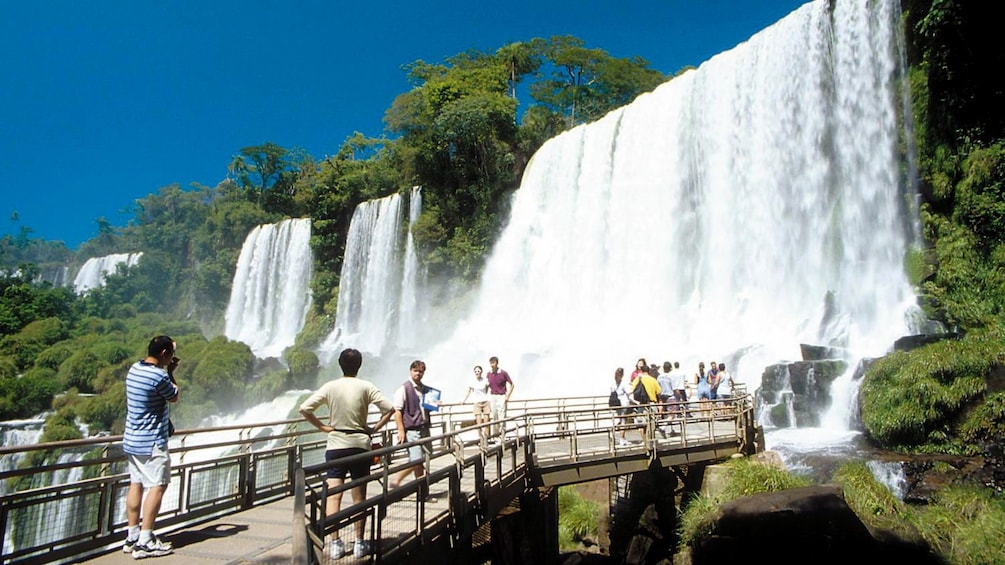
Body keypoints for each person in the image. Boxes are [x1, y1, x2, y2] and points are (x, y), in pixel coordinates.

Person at [299, 348, 395, 560]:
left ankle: (335, 544)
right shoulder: (366, 386)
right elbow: (390, 409)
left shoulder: (330, 386)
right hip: (360, 446)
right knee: (359, 496)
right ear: (359, 365)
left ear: (340, 364)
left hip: (336, 445)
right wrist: (373, 429)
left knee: (334, 497)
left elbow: (304, 409)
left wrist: (323, 428)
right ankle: (360, 543)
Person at [122, 335, 180, 559]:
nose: (173, 358)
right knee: (158, 486)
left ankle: (132, 535)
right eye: (172, 354)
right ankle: (146, 540)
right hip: (152, 442)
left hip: (132, 440)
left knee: (135, 484)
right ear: (165, 354)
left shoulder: (134, 369)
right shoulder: (158, 376)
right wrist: (171, 372)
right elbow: (173, 396)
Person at [390, 360, 440, 499]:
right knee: (417, 461)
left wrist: (436, 404)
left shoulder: (426, 389)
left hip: (424, 428)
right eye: (416, 371)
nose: (418, 374)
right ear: (410, 371)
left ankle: (416, 490)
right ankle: (419, 491)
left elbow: (428, 409)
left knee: (419, 460)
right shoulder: (403, 389)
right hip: (412, 430)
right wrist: (401, 430)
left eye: (421, 371)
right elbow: (397, 411)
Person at [486, 356, 514, 439]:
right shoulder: (489, 374)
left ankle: (502, 435)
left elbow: (512, 384)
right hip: (493, 395)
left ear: (497, 363)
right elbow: (487, 385)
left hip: (501, 395)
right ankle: (496, 435)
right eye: (491, 363)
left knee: (502, 416)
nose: (492, 365)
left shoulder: (503, 373)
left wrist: (508, 396)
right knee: (494, 416)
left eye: (493, 363)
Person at [461, 365, 491, 442]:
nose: (477, 372)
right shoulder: (472, 381)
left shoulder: (485, 380)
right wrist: (464, 400)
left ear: (481, 372)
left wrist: (484, 396)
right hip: (477, 403)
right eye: (475, 371)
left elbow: (487, 389)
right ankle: (481, 439)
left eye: (478, 371)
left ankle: (486, 439)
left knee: (486, 423)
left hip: (485, 402)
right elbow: (469, 391)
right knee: (479, 424)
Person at [610, 367, 632, 444]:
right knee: (623, 421)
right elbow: (629, 392)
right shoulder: (623, 383)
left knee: (620, 419)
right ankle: (622, 439)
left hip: (616, 403)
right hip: (623, 403)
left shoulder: (614, 383)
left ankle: (615, 433)